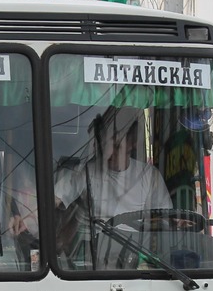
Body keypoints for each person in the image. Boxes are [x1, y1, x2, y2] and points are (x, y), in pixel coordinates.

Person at [53, 106, 171, 265]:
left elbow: (165, 219)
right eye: (104, 144)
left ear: (132, 143)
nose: (108, 152)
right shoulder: (85, 171)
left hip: (133, 251)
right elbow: (53, 199)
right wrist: (26, 216)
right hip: (89, 251)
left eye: (115, 145)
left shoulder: (150, 176)